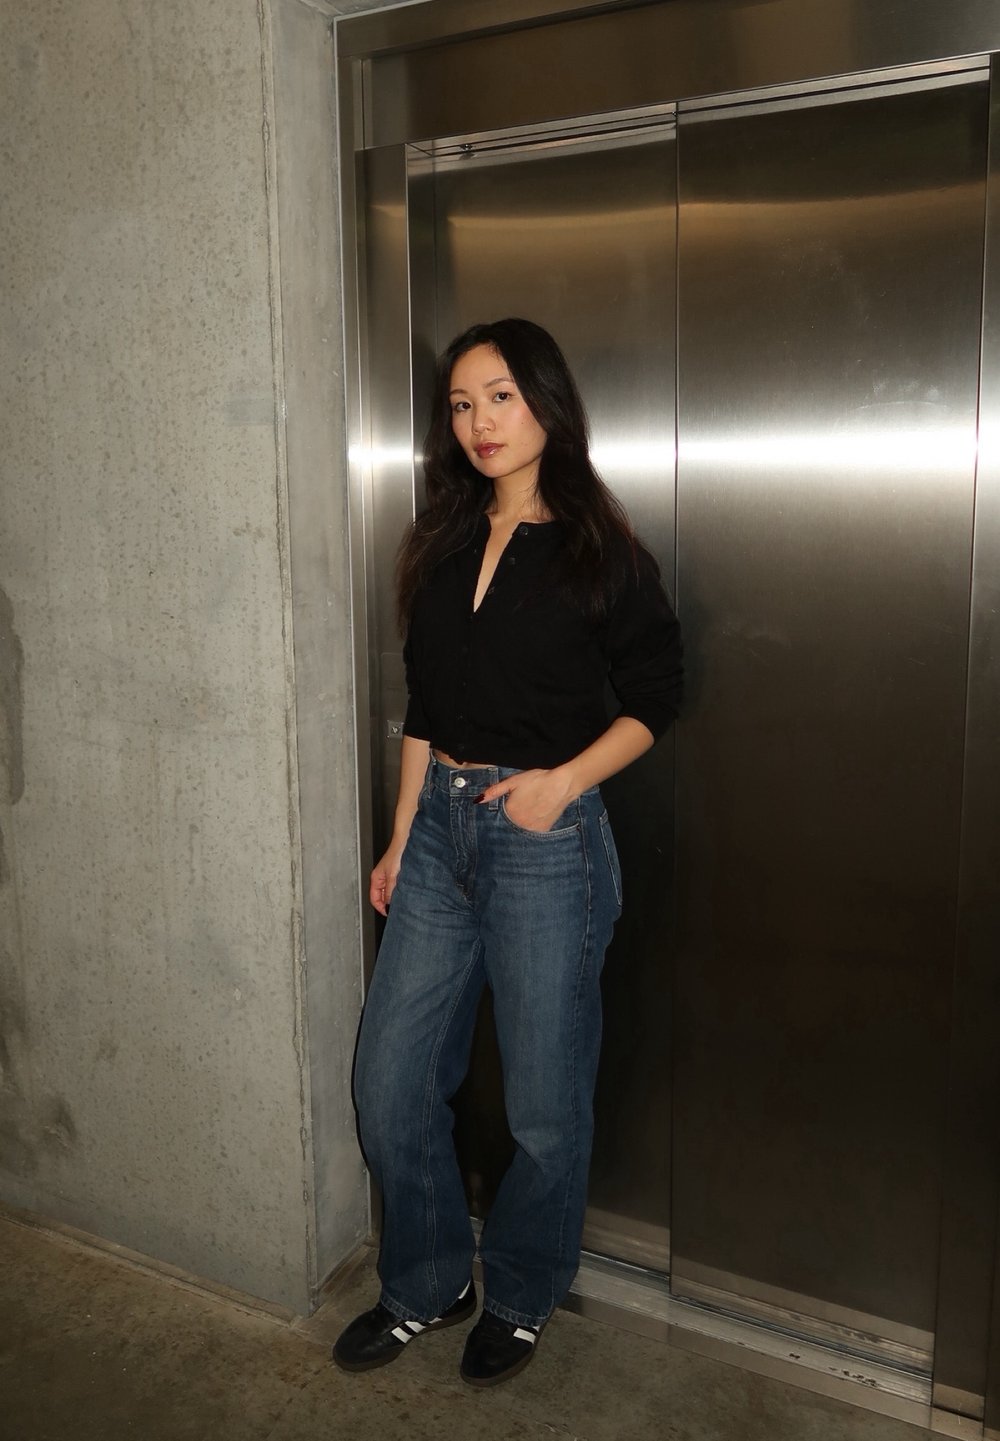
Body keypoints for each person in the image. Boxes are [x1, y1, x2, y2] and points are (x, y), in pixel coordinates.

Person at [333, 318, 682, 1386]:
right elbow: (425, 708)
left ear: (545, 405)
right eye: (459, 404)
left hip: (547, 847)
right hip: (438, 834)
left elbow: (657, 698)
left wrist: (562, 783)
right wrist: (400, 838)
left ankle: (522, 1291)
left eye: (499, 398)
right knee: (388, 1082)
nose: (478, 422)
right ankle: (429, 1281)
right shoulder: (438, 545)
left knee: (541, 1104)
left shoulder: (599, 550)